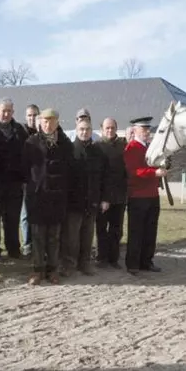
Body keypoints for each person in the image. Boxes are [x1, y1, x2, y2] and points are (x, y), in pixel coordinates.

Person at [23, 108, 74, 285]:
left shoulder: (66, 144)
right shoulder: (31, 142)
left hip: (57, 197)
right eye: (45, 121)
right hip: (37, 196)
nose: (48, 124)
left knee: (54, 236)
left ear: (57, 123)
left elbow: (70, 170)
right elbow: (25, 169)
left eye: (51, 121)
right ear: (40, 122)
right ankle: (37, 270)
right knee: (37, 235)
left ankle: (52, 269)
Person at [61, 118, 110, 276]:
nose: (84, 132)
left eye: (87, 129)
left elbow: (104, 178)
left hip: (92, 202)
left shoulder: (97, 152)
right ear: (76, 129)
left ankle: (85, 263)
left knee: (87, 235)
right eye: (82, 129)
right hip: (74, 203)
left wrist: (104, 198)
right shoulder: (69, 150)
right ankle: (69, 264)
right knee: (72, 237)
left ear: (91, 131)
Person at [123, 116, 168, 275]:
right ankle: (133, 263)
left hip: (152, 194)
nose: (147, 132)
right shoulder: (132, 148)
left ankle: (146, 261)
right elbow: (133, 171)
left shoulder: (150, 147)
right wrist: (153, 172)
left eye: (148, 129)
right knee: (136, 231)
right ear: (135, 130)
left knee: (150, 230)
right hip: (137, 195)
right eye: (143, 129)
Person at [0, 98, 29, 259]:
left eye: (9, 111)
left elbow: (26, 156)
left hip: (14, 181)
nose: (6, 114)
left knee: (12, 217)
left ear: (13, 112)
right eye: (3, 111)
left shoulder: (20, 130)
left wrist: (24, 178)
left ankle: (13, 248)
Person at [95, 117, 127, 268]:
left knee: (116, 229)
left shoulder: (123, 145)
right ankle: (101, 257)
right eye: (107, 128)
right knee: (101, 229)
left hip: (119, 195)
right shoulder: (97, 146)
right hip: (103, 196)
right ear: (102, 129)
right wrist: (103, 197)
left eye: (112, 128)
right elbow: (98, 175)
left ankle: (113, 259)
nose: (110, 130)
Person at [19, 104, 39, 256]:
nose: (32, 118)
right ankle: (27, 245)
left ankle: (38, 243)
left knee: (38, 212)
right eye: (30, 115)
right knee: (25, 214)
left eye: (35, 115)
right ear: (26, 117)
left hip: (41, 180)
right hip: (26, 179)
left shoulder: (44, 132)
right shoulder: (21, 133)